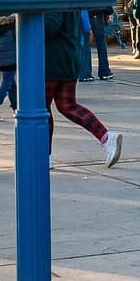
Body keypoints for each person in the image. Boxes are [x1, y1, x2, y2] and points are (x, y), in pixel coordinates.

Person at [43, 9, 122, 167]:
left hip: (52, 60)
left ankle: (45, 155)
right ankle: (106, 137)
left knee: (41, 109)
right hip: (69, 57)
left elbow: (49, 26)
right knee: (67, 105)